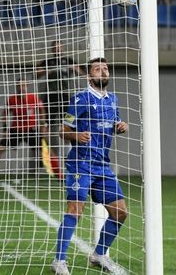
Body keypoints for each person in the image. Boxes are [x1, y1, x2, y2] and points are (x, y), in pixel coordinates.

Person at [51, 58, 129, 275]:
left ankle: (99, 255)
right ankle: (59, 261)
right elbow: (63, 130)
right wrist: (76, 135)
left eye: (105, 68)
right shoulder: (80, 98)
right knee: (75, 211)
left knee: (120, 213)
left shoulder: (113, 99)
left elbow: (111, 124)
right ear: (89, 76)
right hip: (81, 164)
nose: (103, 72)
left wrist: (120, 126)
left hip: (102, 166)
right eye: (98, 69)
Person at [0, 80, 51, 180]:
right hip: (16, 130)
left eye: (23, 85)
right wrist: (5, 130)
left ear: (27, 86)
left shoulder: (33, 98)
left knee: (48, 149)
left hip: (30, 130)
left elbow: (41, 110)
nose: (22, 88)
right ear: (17, 87)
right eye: (19, 85)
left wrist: (44, 125)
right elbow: (5, 114)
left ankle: (59, 175)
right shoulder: (12, 100)